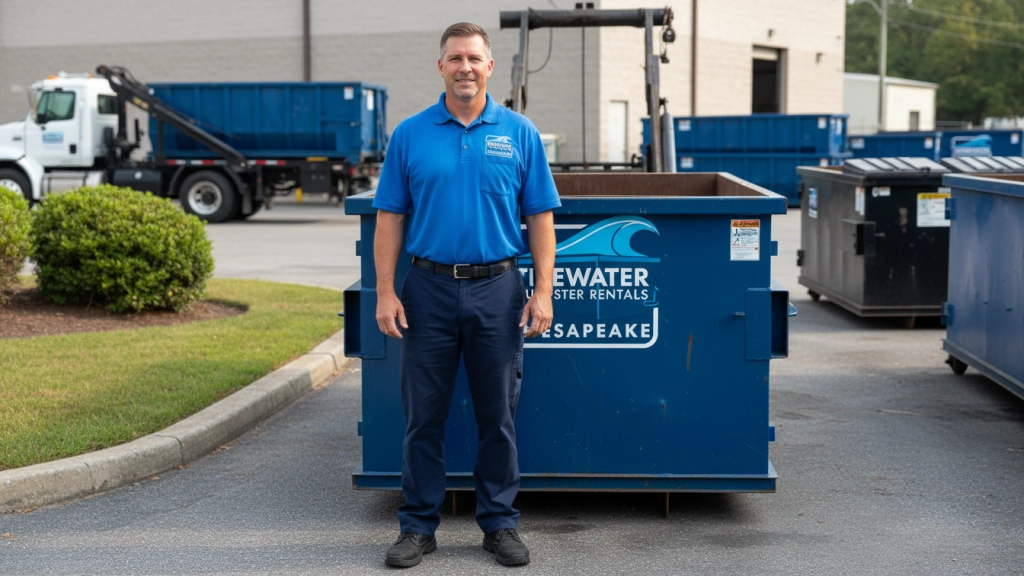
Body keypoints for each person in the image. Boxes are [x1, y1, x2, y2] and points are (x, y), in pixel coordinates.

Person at [372, 22, 559, 568]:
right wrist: (386, 292)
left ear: (489, 66)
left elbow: (540, 218)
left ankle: (499, 525)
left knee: (496, 415)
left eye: (474, 58)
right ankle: (417, 527)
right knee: (422, 417)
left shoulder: (519, 132)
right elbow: (390, 218)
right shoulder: (409, 134)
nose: (465, 67)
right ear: (440, 67)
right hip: (426, 290)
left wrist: (542, 291)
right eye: (455, 58)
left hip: (499, 290)